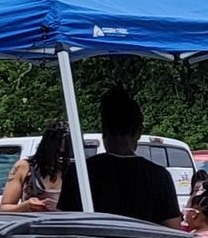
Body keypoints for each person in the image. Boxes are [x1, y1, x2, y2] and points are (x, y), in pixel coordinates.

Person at [56, 87, 183, 228]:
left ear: (104, 129)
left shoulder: (79, 173)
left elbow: (64, 225)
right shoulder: (159, 177)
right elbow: (173, 229)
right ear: (138, 132)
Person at [0, 125, 72, 213]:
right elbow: (4, 208)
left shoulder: (78, 171)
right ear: (45, 149)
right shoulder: (24, 167)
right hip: (34, 224)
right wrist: (25, 206)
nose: (61, 159)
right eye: (56, 153)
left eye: (65, 155)